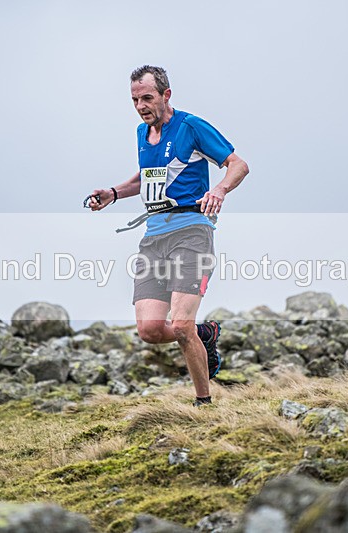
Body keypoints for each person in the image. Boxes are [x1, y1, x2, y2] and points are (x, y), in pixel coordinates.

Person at [86, 65, 249, 407]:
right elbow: (146, 178)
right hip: (153, 238)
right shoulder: (141, 135)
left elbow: (238, 164)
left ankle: (203, 402)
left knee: (180, 324)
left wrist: (219, 190)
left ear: (166, 95)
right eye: (135, 100)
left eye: (147, 98)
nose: (141, 106)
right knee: (149, 330)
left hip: (191, 233)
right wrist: (113, 193)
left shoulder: (190, 126)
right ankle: (206, 335)